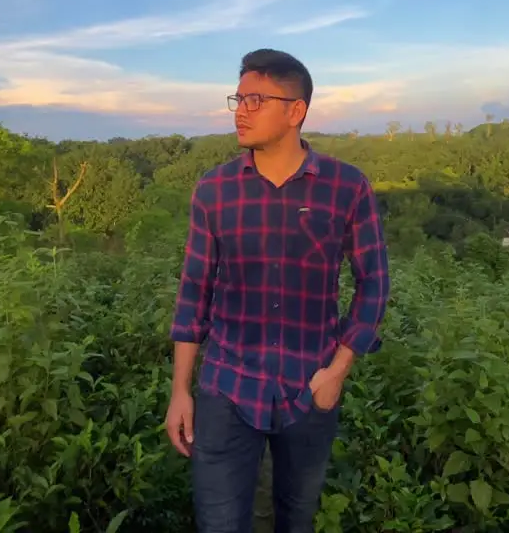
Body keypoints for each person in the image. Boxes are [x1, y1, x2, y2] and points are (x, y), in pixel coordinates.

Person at [165, 48, 390, 532]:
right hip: (227, 385)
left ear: (296, 111)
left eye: (256, 99)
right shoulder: (214, 190)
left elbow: (374, 283)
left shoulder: (345, 187)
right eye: (239, 98)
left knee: (297, 519)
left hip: (310, 386)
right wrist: (181, 390)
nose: (241, 111)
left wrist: (338, 370)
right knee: (220, 523)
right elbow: (194, 293)